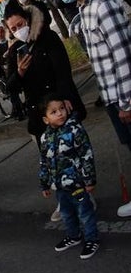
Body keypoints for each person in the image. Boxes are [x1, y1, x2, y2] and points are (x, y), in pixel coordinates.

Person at [51, 0, 131, 219]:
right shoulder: (84, 8)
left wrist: (126, 102)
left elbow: (122, 57)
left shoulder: (102, 5)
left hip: (123, 96)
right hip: (110, 95)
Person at [2, 0, 85, 139]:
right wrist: (20, 72)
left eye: (20, 24)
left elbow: (63, 72)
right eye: (13, 29)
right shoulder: (14, 51)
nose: (18, 30)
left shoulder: (48, 37)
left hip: (60, 109)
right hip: (39, 115)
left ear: (27, 19)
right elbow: (10, 87)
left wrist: (64, 98)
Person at [39, 95, 99, 259]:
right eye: (54, 112)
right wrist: (44, 183)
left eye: (62, 109)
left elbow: (86, 155)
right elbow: (44, 161)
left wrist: (89, 180)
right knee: (66, 213)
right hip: (59, 187)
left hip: (77, 184)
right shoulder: (45, 138)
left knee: (85, 213)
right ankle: (74, 236)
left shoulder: (75, 130)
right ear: (46, 119)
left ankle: (92, 239)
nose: (60, 113)